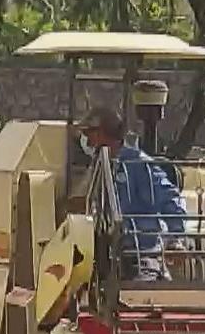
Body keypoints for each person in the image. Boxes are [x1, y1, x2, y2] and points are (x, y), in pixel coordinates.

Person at [76, 105, 187, 281]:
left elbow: (169, 197)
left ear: (102, 134)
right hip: (107, 255)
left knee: (139, 296)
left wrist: (176, 238)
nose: (88, 141)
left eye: (90, 134)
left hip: (140, 255)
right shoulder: (99, 166)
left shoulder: (137, 164)